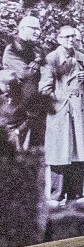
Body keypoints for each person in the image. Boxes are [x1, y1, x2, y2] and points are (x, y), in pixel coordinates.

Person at [39, 26, 84, 205]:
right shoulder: (51, 59)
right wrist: (61, 100)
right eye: (67, 37)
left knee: (80, 151)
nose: (71, 40)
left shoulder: (83, 58)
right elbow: (44, 89)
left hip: (80, 110)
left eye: (74, 37)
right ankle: (57, 195)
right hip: (61, 111)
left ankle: (75, 194)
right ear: (59, 38)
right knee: (60, 152)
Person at [2, 14, 47, 151]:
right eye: (33, 28)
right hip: (18, 115)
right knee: (17, 158)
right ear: (21, 29)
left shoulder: (38, 50)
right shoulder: (11, 50)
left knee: (37, 158)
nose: (37, 32)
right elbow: (27, 74)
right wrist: (40, 65)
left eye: (38, 29)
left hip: (37, 112)